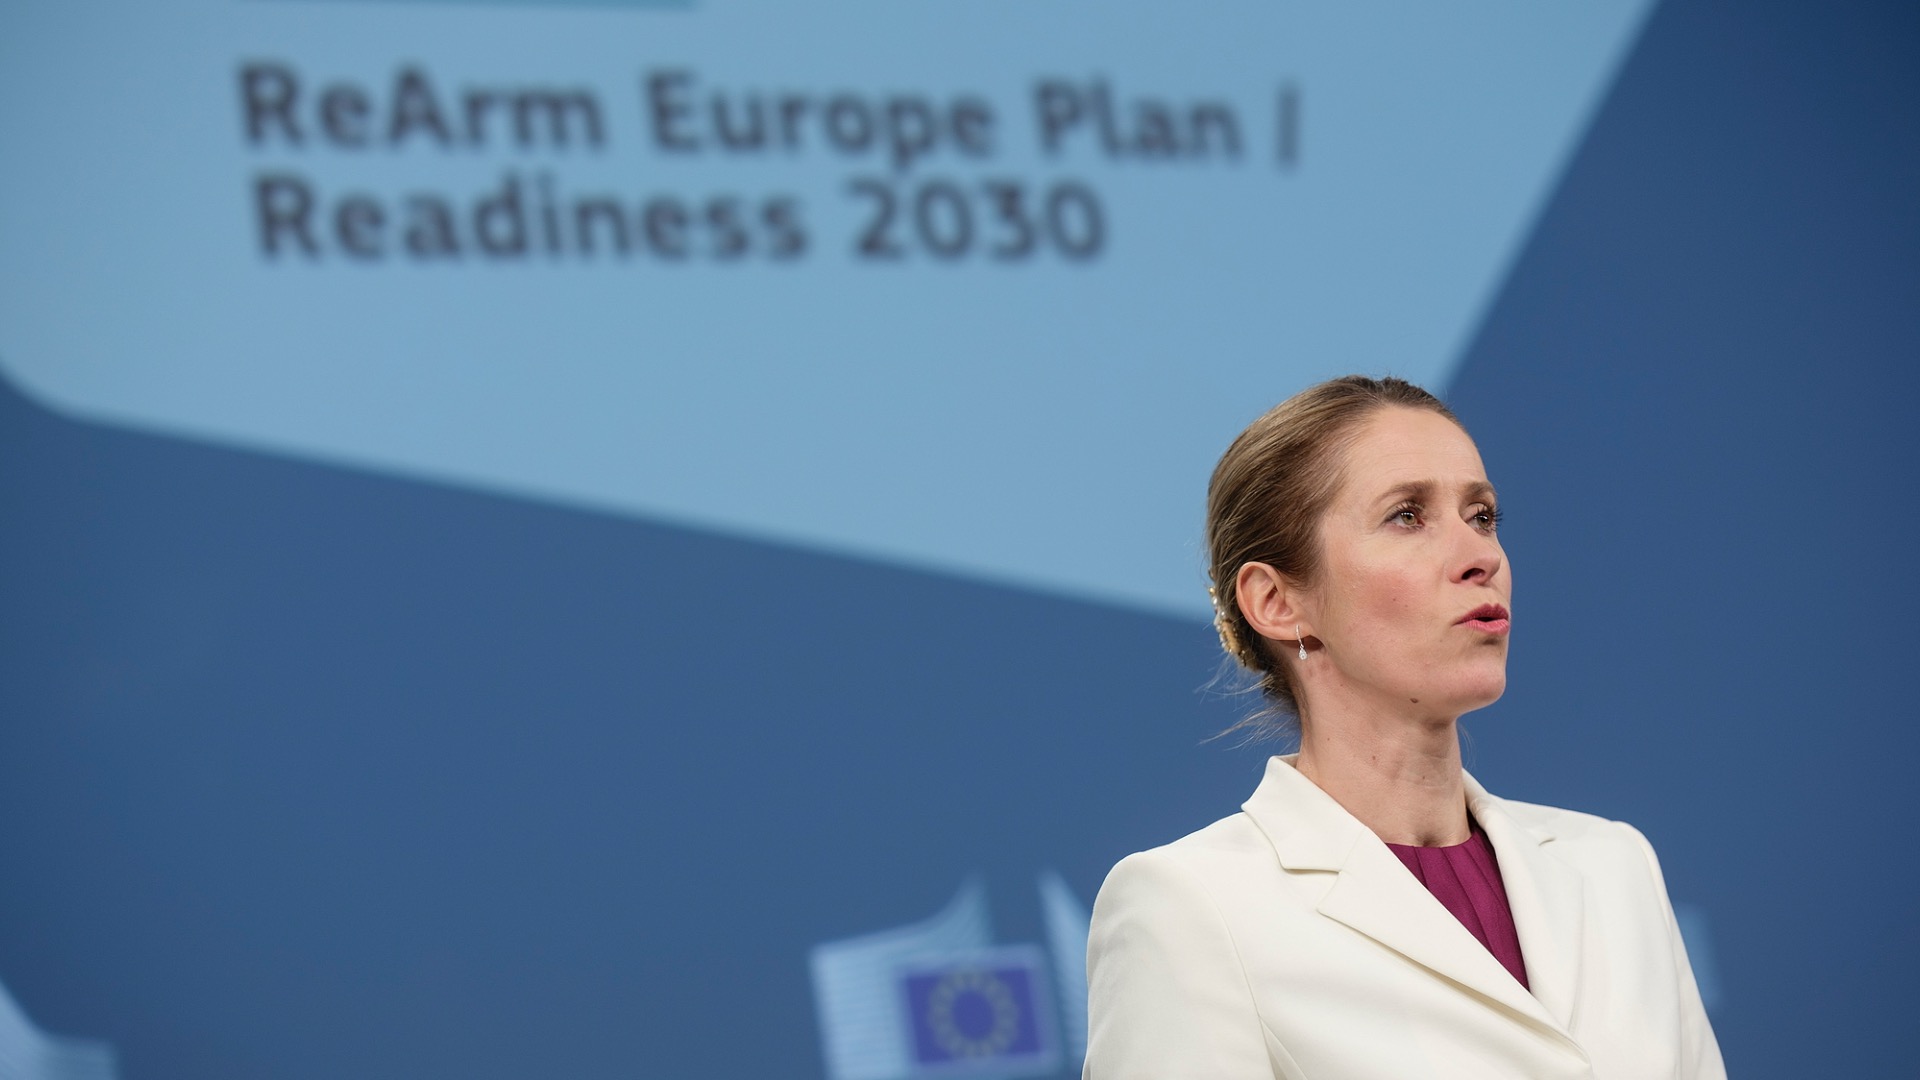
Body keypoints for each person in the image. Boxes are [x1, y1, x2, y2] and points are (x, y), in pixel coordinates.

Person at [1082, 376, 1724, 1079]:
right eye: (1407, 517)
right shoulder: (1191, 908)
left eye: (1481, 515)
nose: (1482, 557)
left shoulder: (1613, 866)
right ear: (1277, 602)